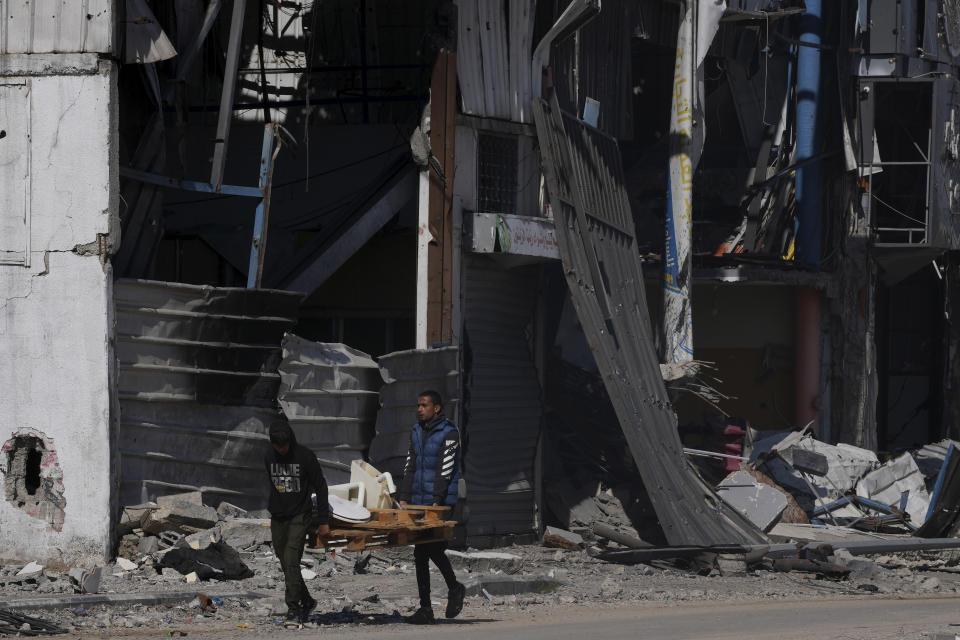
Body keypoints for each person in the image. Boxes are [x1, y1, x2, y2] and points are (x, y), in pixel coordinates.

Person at [397, 390, 466, 625]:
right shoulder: (416, 431)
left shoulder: (449, 432)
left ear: (436, 408)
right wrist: (404, 496)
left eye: (424, 405)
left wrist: (437, 499)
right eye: (418, 405)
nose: (419, 409)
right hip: (418, 501)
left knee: (431, 550)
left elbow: (445, 468)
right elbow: (410, 464)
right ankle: (431, 604)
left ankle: (450, 591)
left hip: (441, 503)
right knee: (422, 553)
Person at [264, 422, 330, 626]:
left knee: (292, 559)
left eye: (284, 445)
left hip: (300, 515)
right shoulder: (269, 456)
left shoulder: (305, 456)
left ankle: (294, 609)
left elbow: (321, 486)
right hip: (278, 515)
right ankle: (308, 601)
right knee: (285, 563)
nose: (282, 450)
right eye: (278, 446)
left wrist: (323, 521)